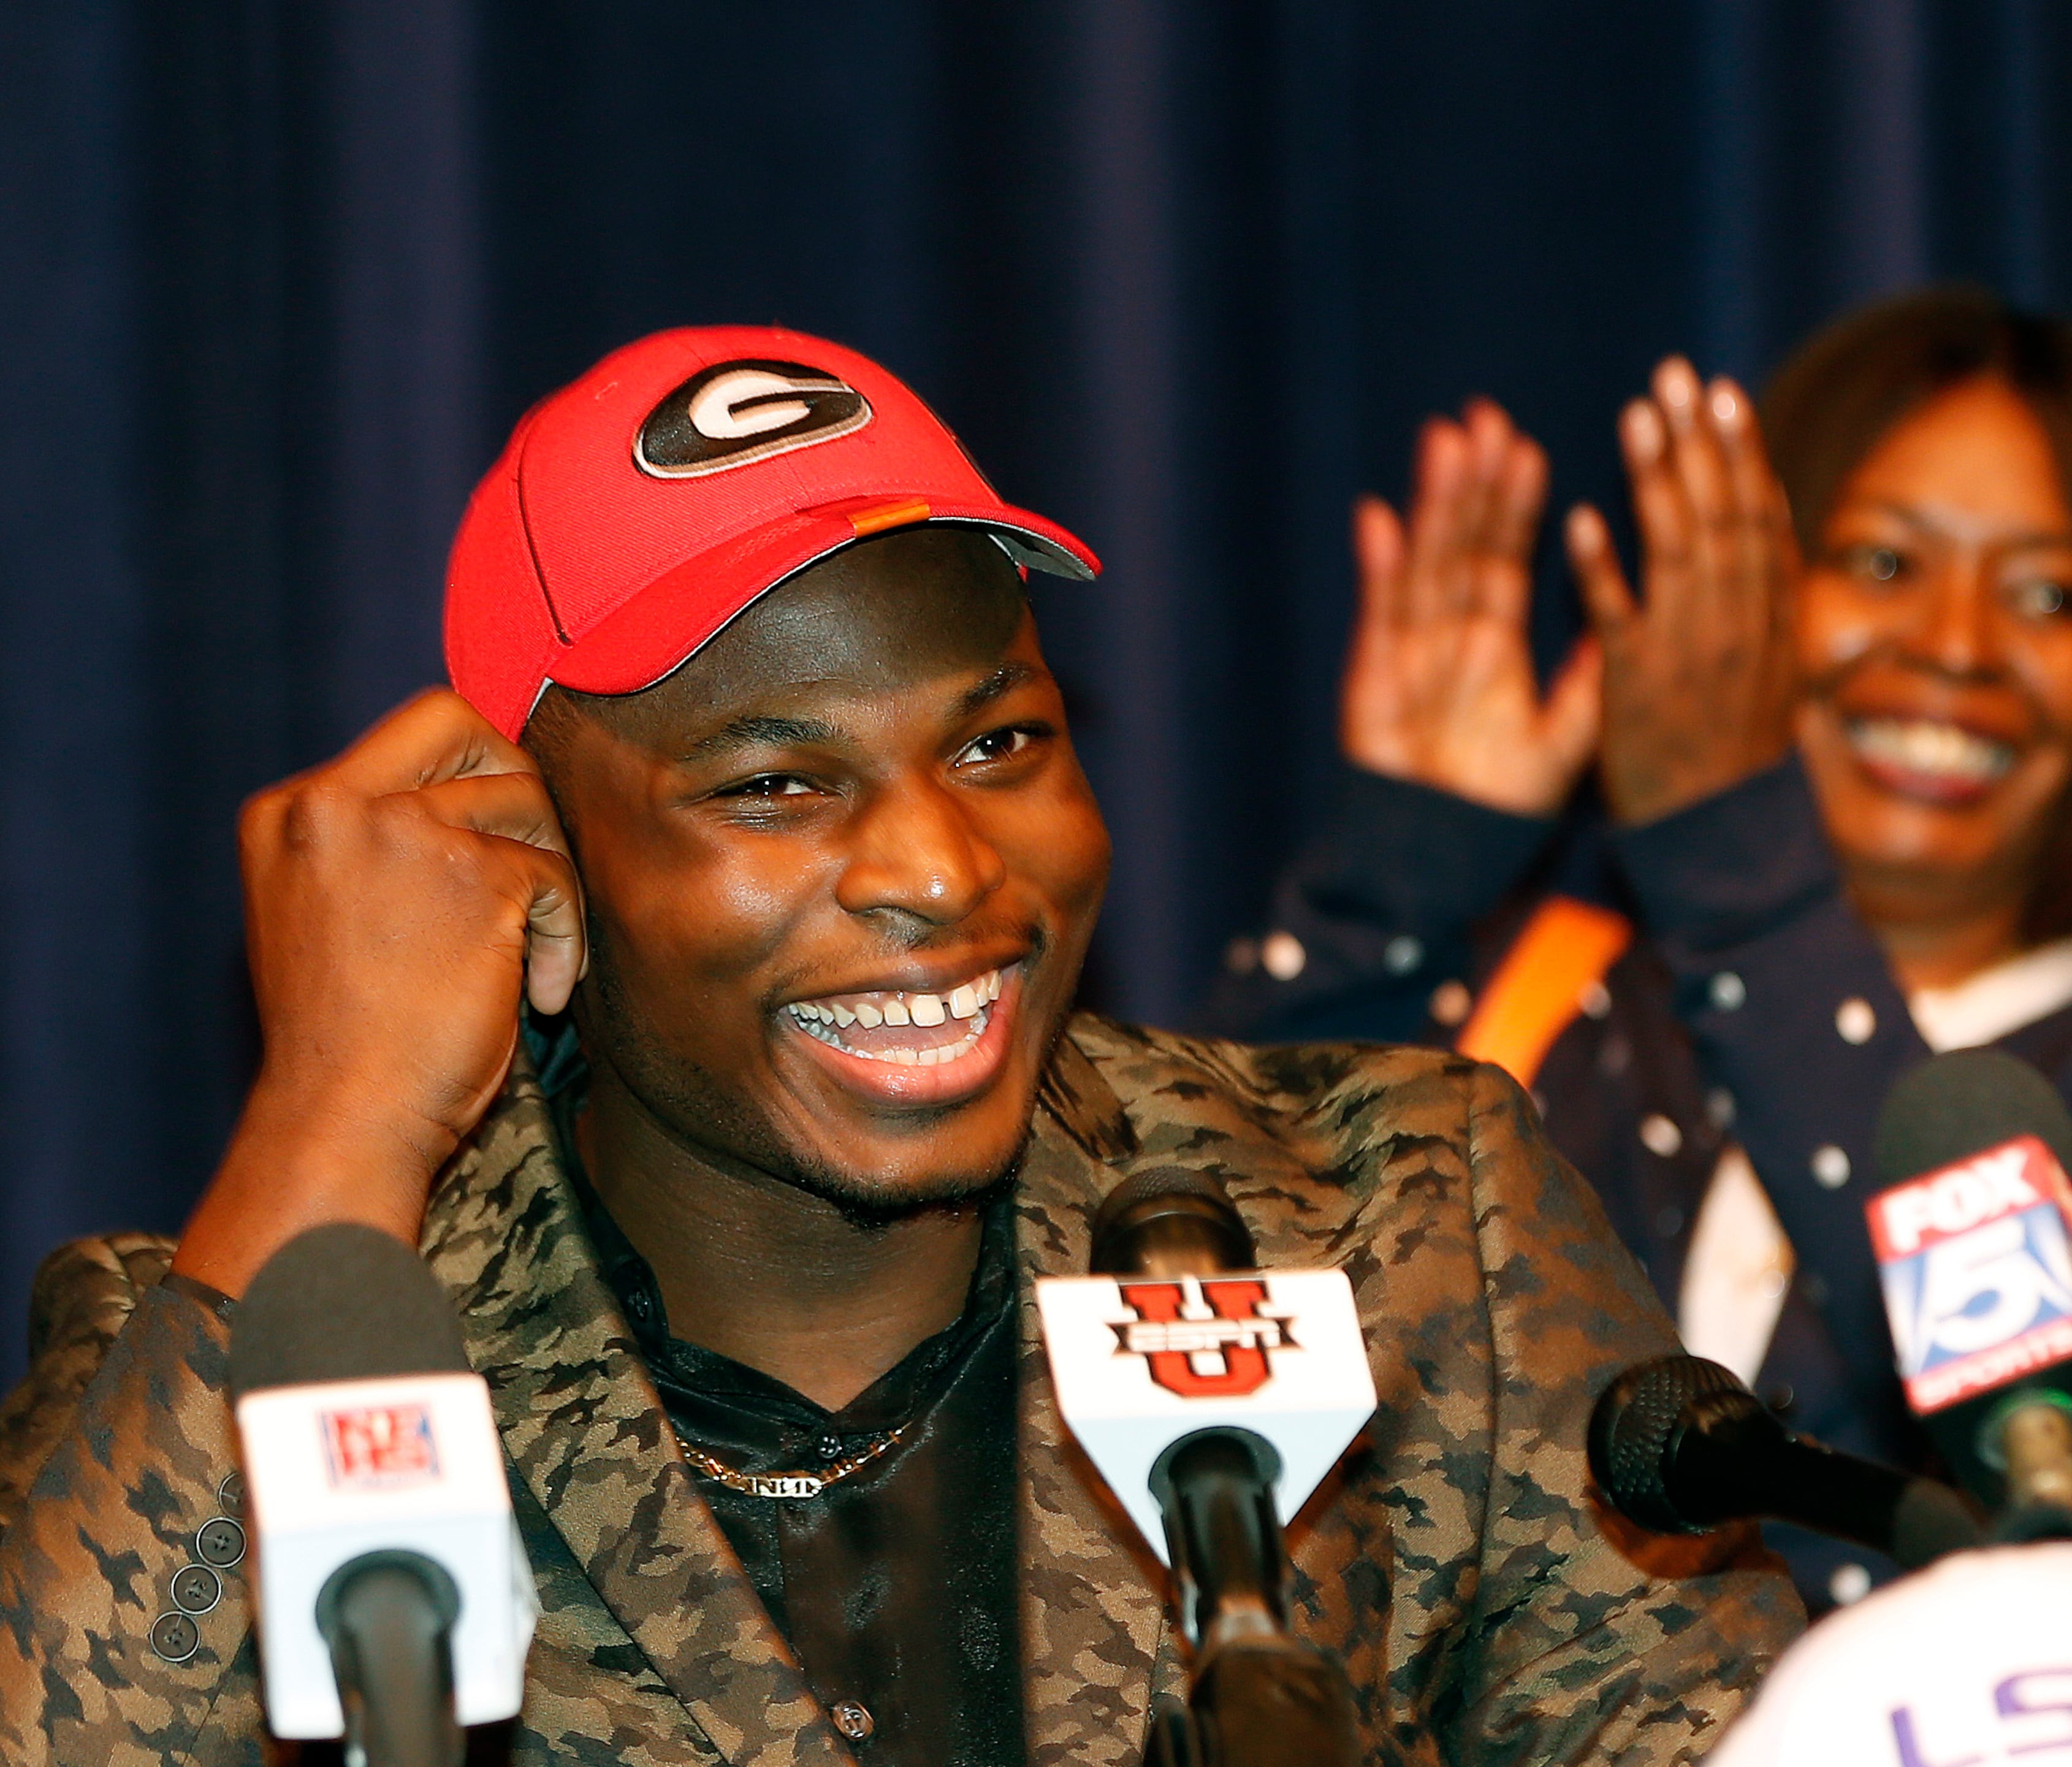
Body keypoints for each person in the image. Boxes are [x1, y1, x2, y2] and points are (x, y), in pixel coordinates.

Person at [0, 326, 1799, 1763]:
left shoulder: (1401, 1220)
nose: (947, 867)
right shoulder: (275, 1357)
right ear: (529, 860)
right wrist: (336, 1120)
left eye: (1001, 743)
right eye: (779, 783)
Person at [1206, 288, 2072, 1610]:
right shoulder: (1551, 1001)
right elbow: (1183, 1289)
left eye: (2049, 593)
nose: (1957, 645)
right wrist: (1396, 870)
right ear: (1741, 600)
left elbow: (2034, 1382)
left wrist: (1735, 863)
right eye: (1882, 564)